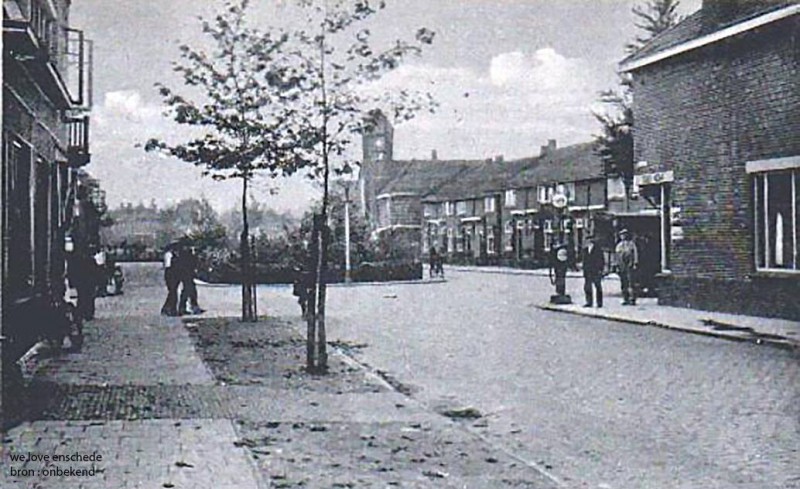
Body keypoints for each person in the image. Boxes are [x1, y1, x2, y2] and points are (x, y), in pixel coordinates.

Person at [177, 242, 204, 315]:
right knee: (187, 290)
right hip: (186, 274)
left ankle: (191, 306)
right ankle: (184, 307)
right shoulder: (185, 254)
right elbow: (191, 262)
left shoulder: (185, 253)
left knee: (191, 290)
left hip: (187, 273)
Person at [615, 229, 639, 305]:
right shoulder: (619, 245)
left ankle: (632, 298)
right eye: (622, 235)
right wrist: (616, 265)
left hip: (630, 265)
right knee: (623, 283)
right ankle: (625, 298)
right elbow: (617, 256)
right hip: (622, 266)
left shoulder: (631, 244)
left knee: (631, 282)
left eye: (624, 235)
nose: (623, 236)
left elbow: (635, 255)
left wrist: (635, 263)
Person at [581, 234, 605, 308]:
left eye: (590, 240)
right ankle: (589, 302)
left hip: (595, 271)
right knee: (587, 287)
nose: (589, 241)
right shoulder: (585, 250)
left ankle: (599, 303)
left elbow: (601, 260)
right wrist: (584, 271)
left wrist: (600, 269)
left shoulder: (598, 249)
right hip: (588, 271)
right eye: (587, 240)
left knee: (598, 286)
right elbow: (584, 261)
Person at [160, 243, 180, 316]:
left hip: (173, 274)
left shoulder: (173, 254)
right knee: (173, 292)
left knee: (172, 292)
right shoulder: (169, 254)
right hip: (170, 274)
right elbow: (168, 265)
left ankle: (167, 308)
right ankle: (171, 309)